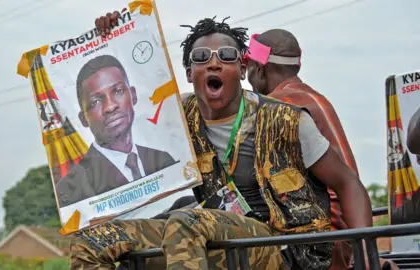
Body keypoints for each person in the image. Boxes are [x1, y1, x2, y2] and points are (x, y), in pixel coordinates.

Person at [69, 13, 373, 270]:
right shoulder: (175, 117)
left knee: (186, 222)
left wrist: (365, 260)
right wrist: (112, 38)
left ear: (242, 69)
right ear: (189, 73)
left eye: (226, 56)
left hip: (284, 246)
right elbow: (130, 90)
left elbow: (348, 184)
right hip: (214, 232)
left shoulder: (287, 120)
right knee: (92, 242)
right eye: (201, 57)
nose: (214, 63)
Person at [245, 29, 398, 270]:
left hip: (320, 240)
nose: (248, 80)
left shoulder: (279, 109)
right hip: (343, 233)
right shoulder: (313, 97)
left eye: (249, 70)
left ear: (260, 68)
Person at [55, 54, 176, 208]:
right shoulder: (72, 188)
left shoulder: (163, 160)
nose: (110, 107)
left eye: (118, 91)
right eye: (96, 101)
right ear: (83, 119)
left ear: (133, 95)